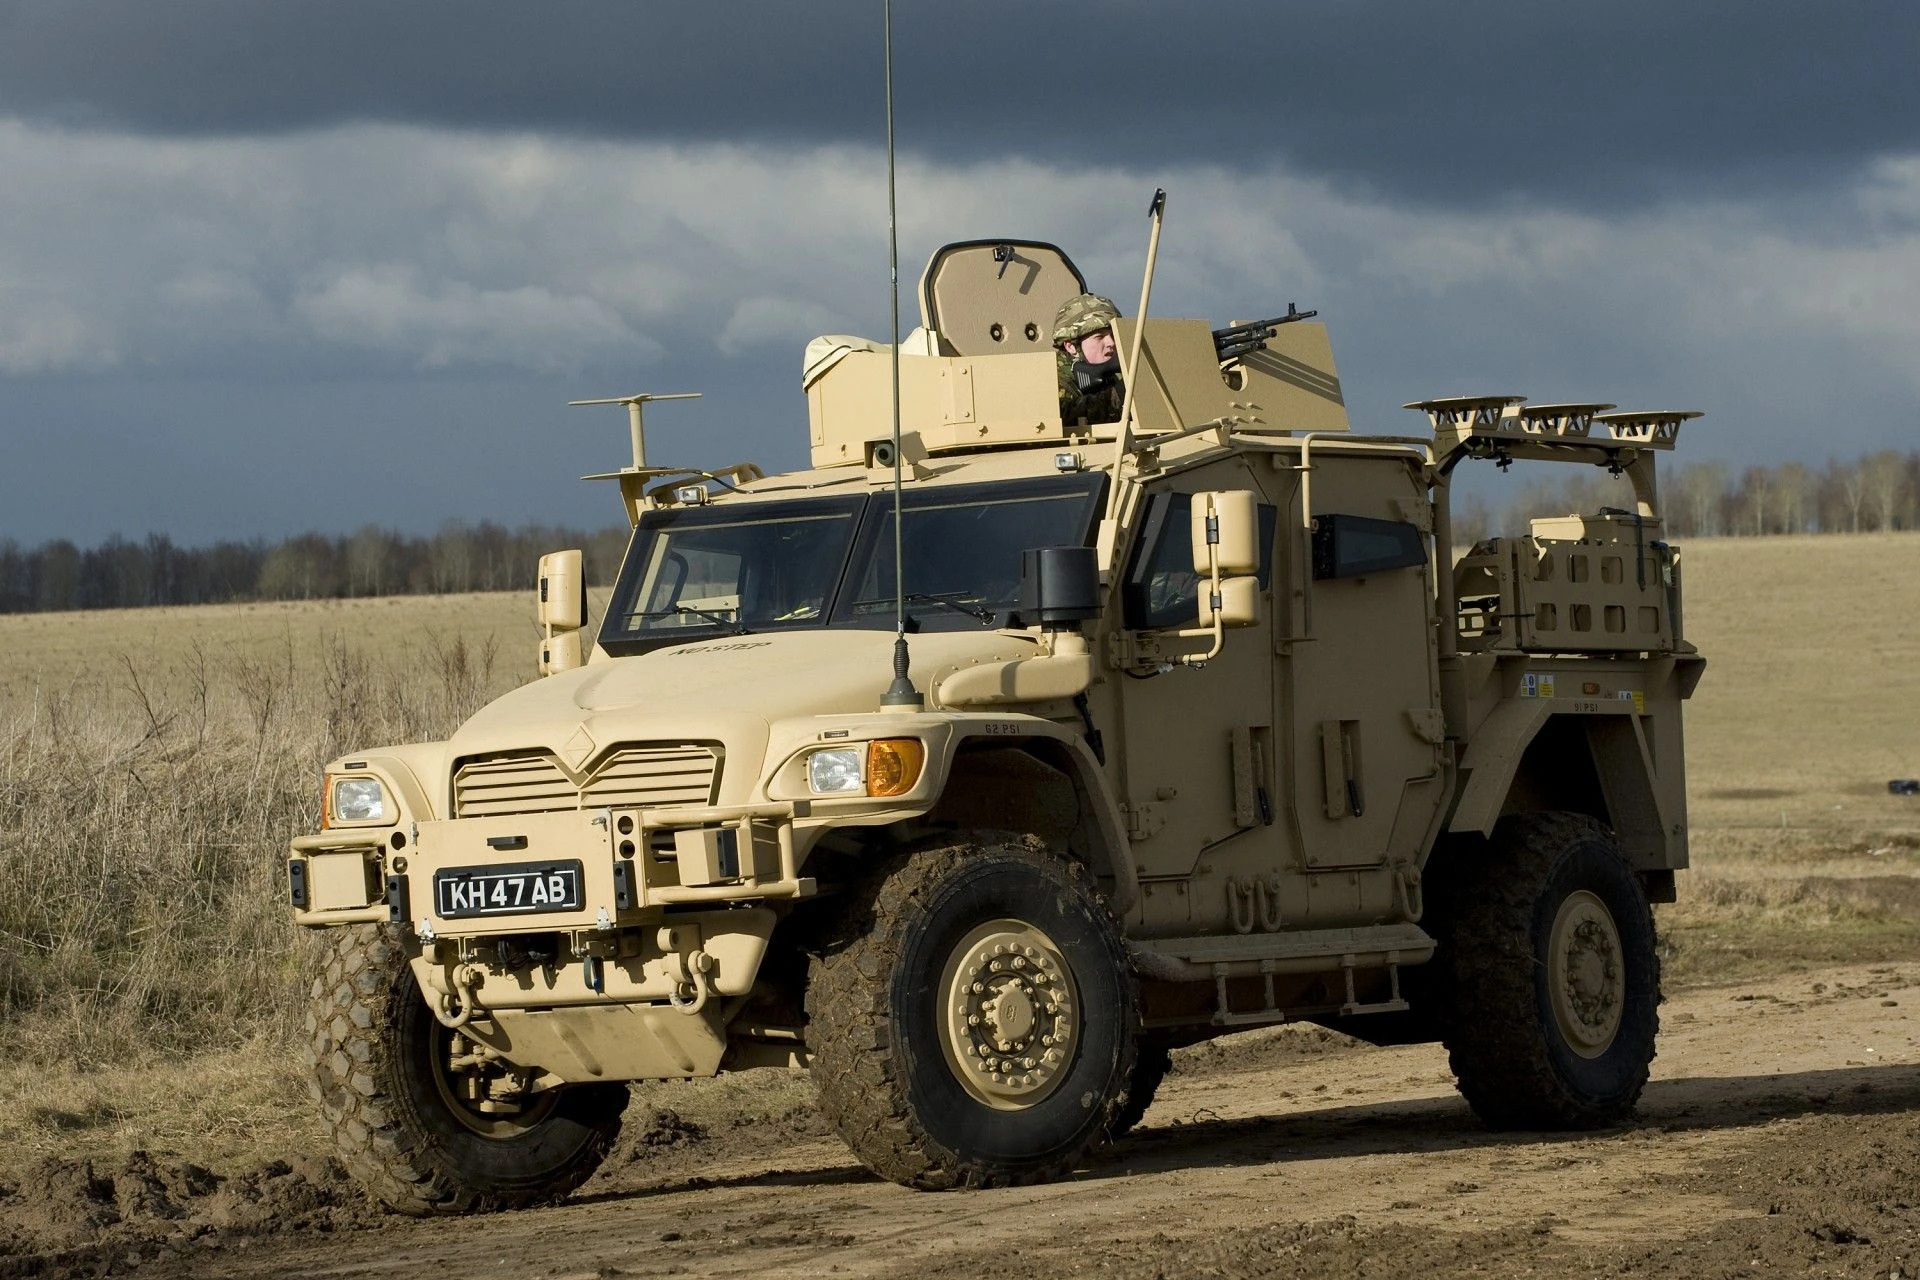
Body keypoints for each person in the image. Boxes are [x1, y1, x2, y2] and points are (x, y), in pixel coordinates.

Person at [1053, 293, 1126, 427]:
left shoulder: (1116, 377)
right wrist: (1118, 396)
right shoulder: (1051, 382)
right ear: (1071, 346)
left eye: (1113, 335)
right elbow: (1065, 416)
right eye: (1099, 337)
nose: (1111, 342)